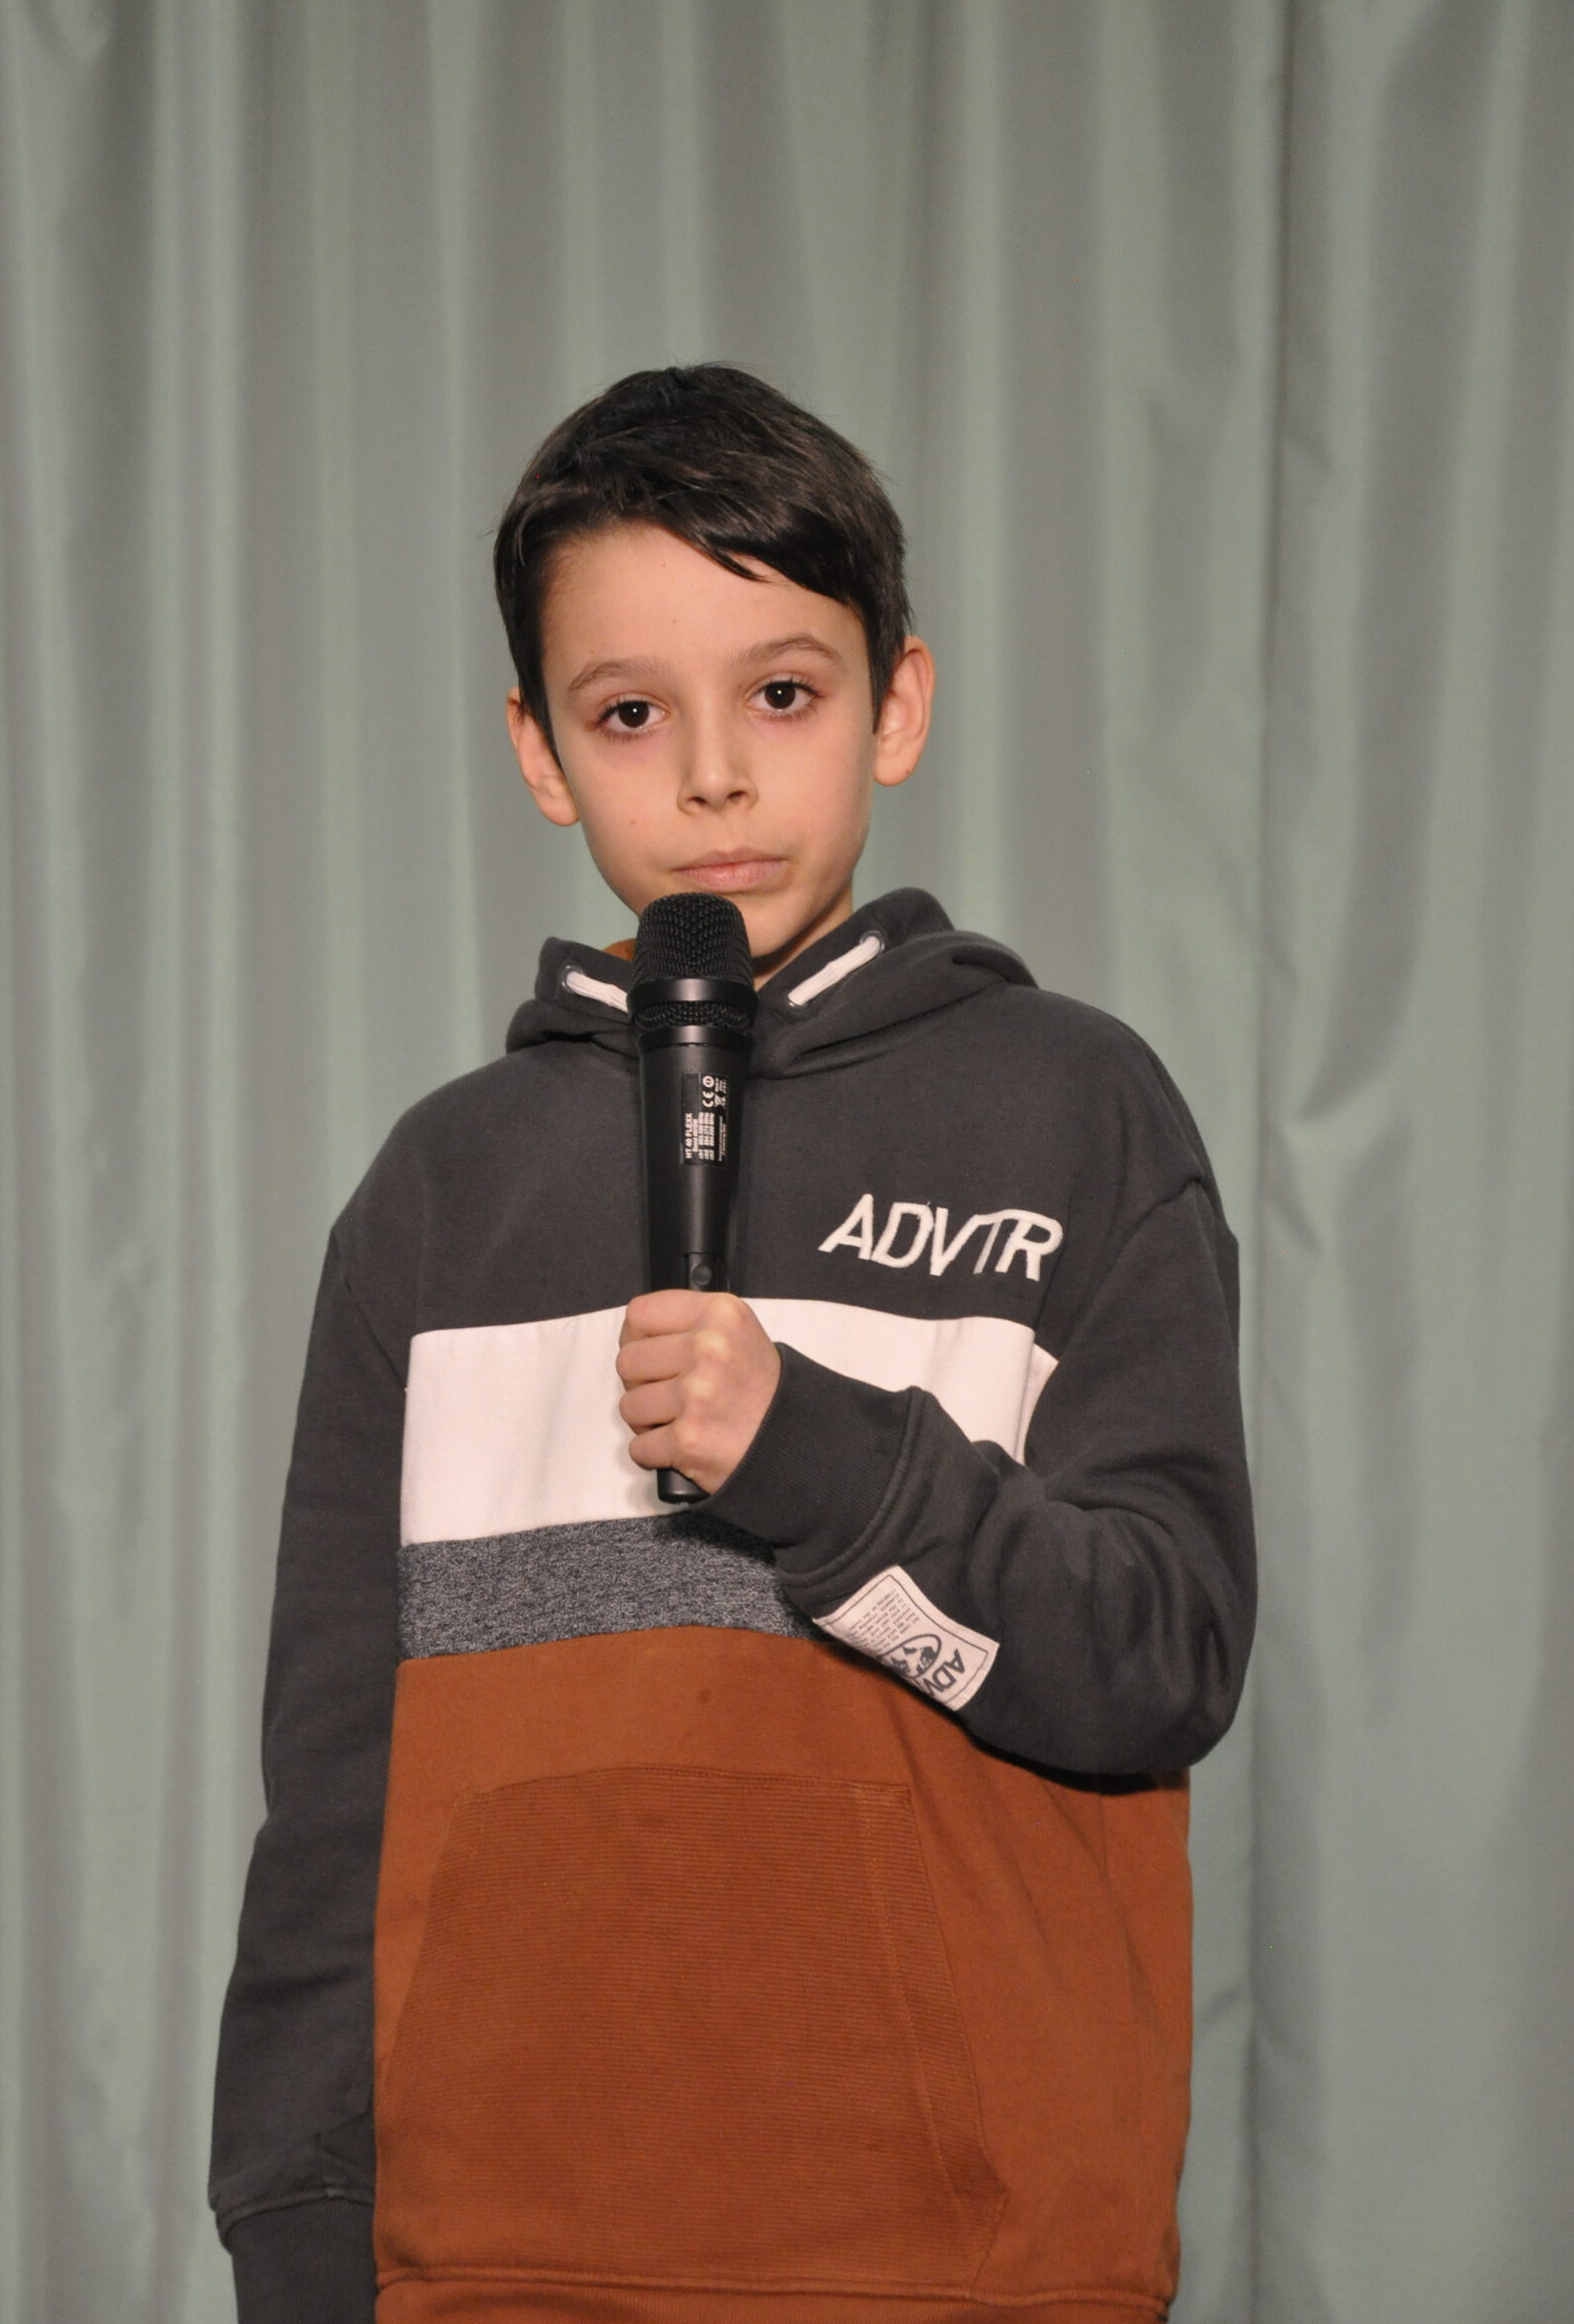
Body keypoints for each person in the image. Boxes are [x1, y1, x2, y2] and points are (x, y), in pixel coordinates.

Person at [210, 363, 1256, 2324]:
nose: (710, 776)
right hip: (503, 2256)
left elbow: (1162, 1659)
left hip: (971, 2258)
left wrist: (821, 1458)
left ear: (897, 703)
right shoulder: (441, 1189)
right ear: (539, 750)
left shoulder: (1071, 1111)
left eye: (781, 692)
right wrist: (300, 2218)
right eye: (629, 712)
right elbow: (338, 1788)